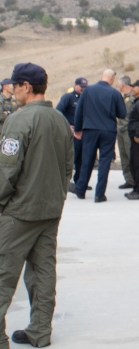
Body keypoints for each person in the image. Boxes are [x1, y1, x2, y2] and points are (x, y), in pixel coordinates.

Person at [0, 63, 74, 348]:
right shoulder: (59, 120)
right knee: (43, 272)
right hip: (50, 209)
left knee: (4, 274)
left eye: (16, 86)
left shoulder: (19, 120)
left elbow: (7, 171)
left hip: (19, 212)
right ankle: (40, 331)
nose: (14, 91)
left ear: (26, 87)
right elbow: (69, 167)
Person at [73, 69, 126, 203]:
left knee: (87, 160)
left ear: (102, 76)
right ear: (112, 78)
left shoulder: (88, 91)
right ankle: (99, 194)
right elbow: (122, 113)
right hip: (108, 130)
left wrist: (78, 129)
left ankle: (81, 189)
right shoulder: (114, 93)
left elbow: (79, 111)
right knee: (104, 162)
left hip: (90, 129)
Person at [55, 77, 88, 190]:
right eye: (81, 86)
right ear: (75, 86)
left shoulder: (87, 98)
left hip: (84, 133)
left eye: (85, 87)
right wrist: (67, 126)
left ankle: (79, 182)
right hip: (72, 134)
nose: (83, 88)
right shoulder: (68, 97)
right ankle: (64, 182)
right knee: (71, 158)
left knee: (82, 159)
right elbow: (58, 112)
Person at [115, 76, 136, 190]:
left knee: (130, 155)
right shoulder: (122, 97)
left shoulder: (134, 97)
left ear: (122, 85)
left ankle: (135, 179)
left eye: (118, 84)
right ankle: (129, 180)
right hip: (120, 129)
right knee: (123, 156)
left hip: (128, 130)